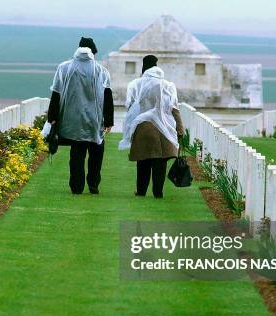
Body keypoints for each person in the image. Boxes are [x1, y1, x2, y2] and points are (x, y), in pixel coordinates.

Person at [48, 37, 114, 195]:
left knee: (77, 154)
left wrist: (52, 117)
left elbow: (56, 94)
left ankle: (76, 186)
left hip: (73, 120)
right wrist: (109, 121)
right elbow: (108, 96)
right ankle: (93, 184)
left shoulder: (64, 68)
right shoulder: (101, 70)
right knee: (96, 152)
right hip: (95, 120)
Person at [119, 55, 184, 198]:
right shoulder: (167, 85)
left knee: (143, 162)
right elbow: (175, 108)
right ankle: (158, 192)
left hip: (142, 126)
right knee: (160, 163)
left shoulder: (136, 84)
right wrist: (180, 128)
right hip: (163, 129)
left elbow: (130, 106)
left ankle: (141, 191)